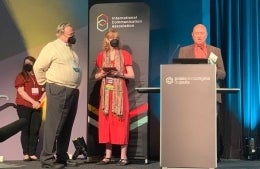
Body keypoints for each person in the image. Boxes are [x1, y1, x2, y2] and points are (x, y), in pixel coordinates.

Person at [33, 22, 82, 169]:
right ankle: (47, 159)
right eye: (70, 34)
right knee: (54, 126)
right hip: (58, 89)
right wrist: (46, 84)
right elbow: (38, 67)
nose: (73, 36)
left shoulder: (72, 51)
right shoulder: (52, 47)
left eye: (73, 34)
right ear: (61, 34)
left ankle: (62, 157)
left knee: (66, 126)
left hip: (73, 90)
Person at [178, 23, 226, 162]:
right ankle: (191, 152)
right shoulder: (184, 51)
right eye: (196, 33)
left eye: (202, 33)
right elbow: (178, 70)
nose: (199, 35)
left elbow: (223, 73)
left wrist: (212, 70)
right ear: (192, 35)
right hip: (191, 94)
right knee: (191, 125)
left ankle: (212, 154)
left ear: (206, 35)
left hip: (210, 94)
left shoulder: (214, 51)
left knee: (211, 125)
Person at [95, 28, 135, 166]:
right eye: (112, 37)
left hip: (119, 94)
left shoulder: (124, 54)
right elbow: (96, 75)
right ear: (106, 39)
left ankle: (123, 156)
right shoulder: (101, 55)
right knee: (106, 122)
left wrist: (120, 74)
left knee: (120, 121)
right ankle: (108, 156)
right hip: (106, 94)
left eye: (116, 37)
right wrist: (101, 74)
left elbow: (131, 74)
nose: (114, 39)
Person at [14, 56, 46, 161]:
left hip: (37, 106)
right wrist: (33, 102)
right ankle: (26, 153)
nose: (27, 64)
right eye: (26, 63)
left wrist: (39, 102)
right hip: (24, 106)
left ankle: (32, 153)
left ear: (34, 64)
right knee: (25, 129)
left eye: (30, 62)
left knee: (35, 129)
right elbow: (21, 91)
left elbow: (46, 91)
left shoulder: (40, 76)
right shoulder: (21, 76)